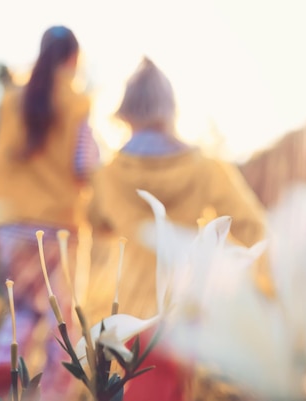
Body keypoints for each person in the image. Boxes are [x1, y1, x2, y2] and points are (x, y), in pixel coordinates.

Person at [85, 57, 266, 401]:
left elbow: (94, 223)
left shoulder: (107, 176)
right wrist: (269, 291)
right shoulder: (207, 168)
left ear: (125, 114)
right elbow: (253, 226)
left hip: (126, 316)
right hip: (191, 312)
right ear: (170, 111)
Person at [0, 25, 99, 401]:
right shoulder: (77, 104)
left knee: (19, 314)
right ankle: (52, 396)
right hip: (60, 232)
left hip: (9, 228)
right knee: (62, 326)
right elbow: (87, 166)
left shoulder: (7, 102)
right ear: (73, 59)